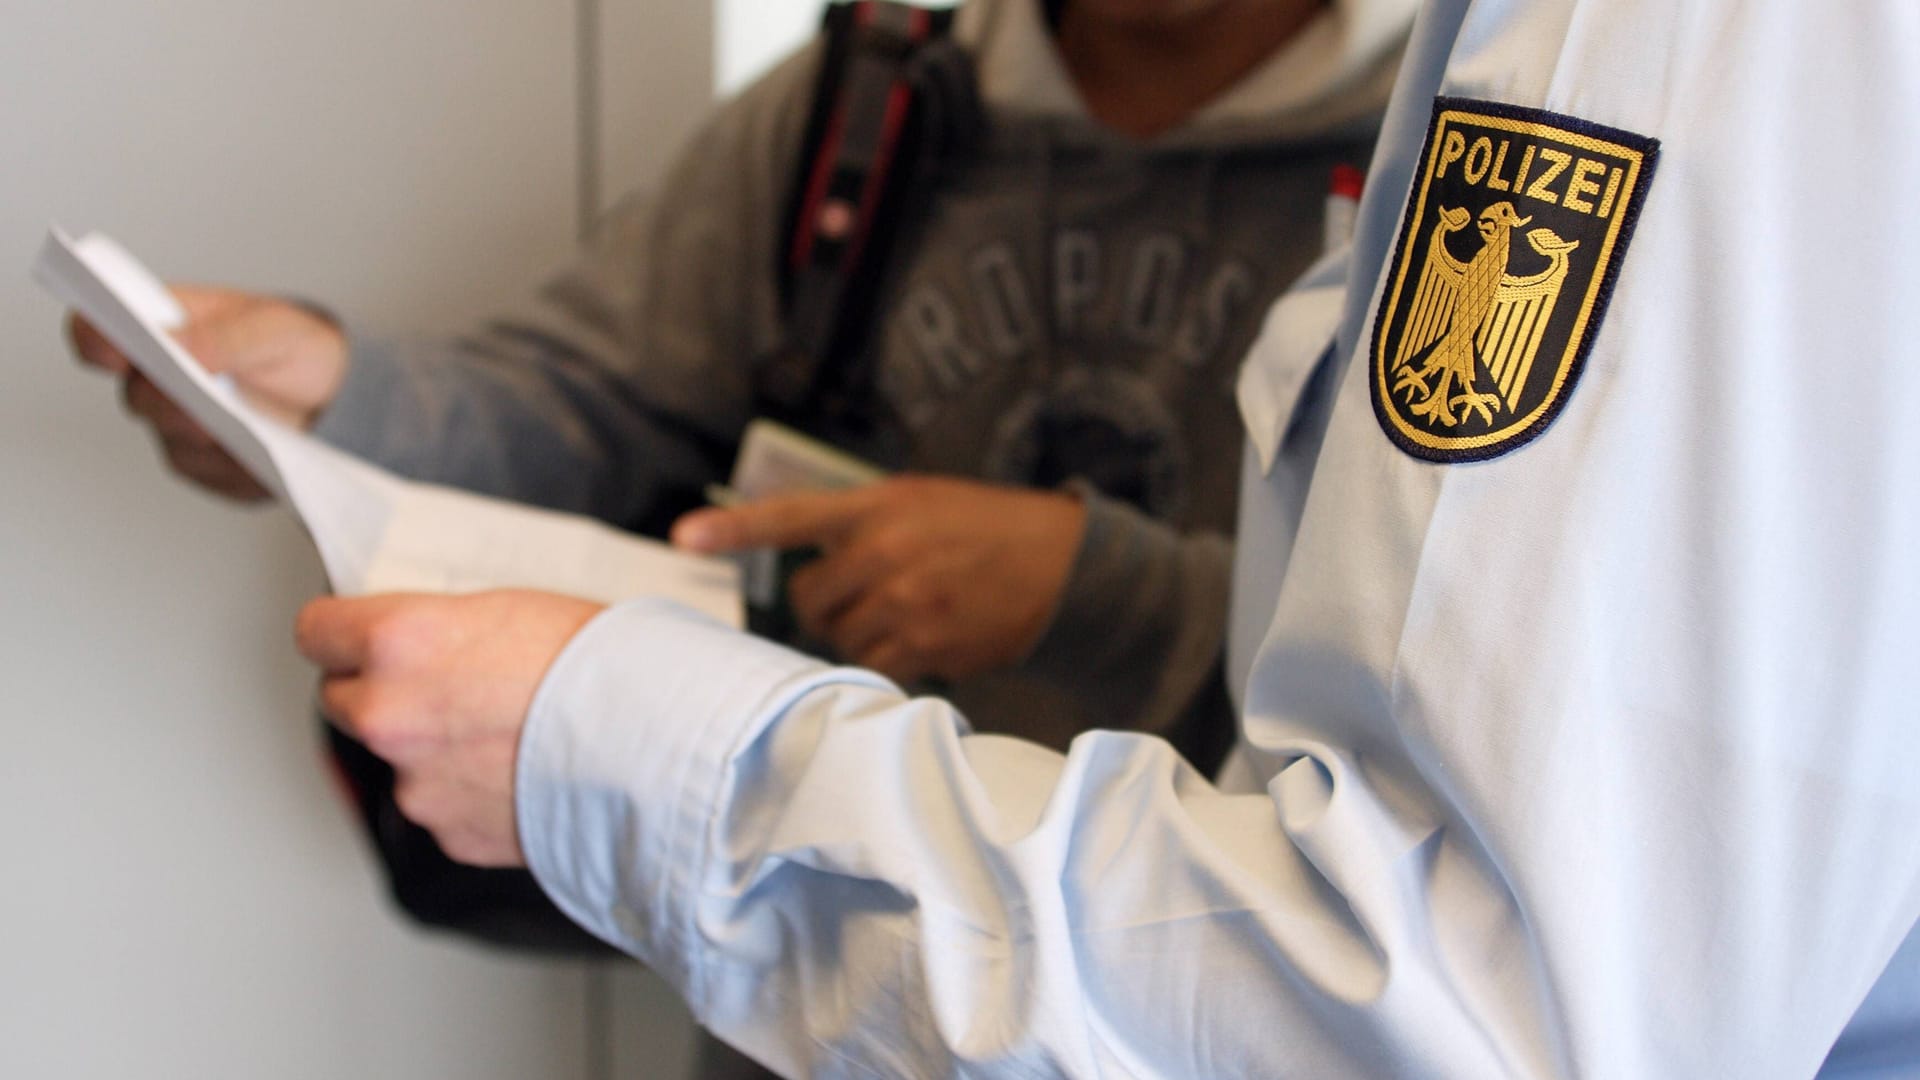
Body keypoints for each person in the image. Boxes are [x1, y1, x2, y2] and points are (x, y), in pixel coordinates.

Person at [281, 0, 1920, 1075]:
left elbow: (1456, 981)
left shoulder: (1594, 95)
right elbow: (588, 391)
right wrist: (335, 393)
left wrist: (1092, 588)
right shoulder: (872, 108)